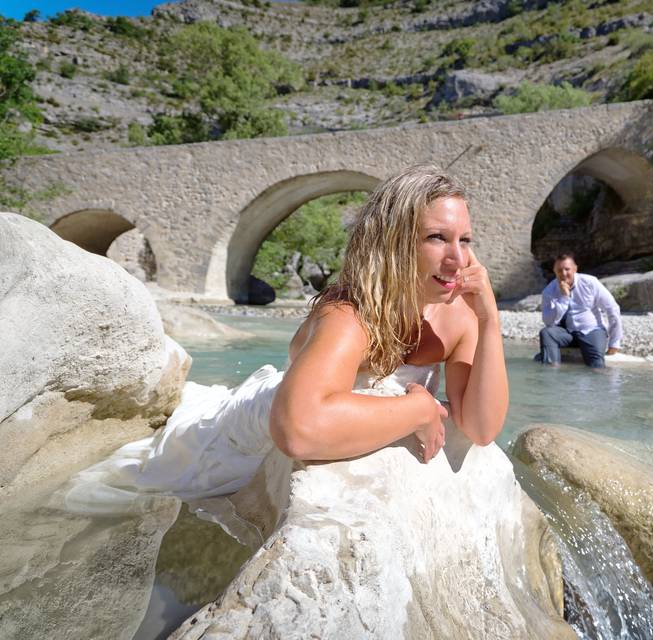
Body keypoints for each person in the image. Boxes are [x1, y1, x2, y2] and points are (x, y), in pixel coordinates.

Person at [58, 164, 509, 516]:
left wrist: (489, 320)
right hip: (243, 442)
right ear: (393, 242)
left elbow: (481, 428)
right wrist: (417, 408)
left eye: (465, 239)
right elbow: (299, 430)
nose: (458, 258)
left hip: (307, 416)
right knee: (123, 489)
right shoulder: (349, 312)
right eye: (437, 238)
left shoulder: (459, 317)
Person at [538, 253, 622, 368]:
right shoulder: (549, 291)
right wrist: (563, 298)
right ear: (554, 271)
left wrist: (614, 342)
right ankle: (552, 372)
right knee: (546, 333)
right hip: (568, 333)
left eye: (567, 269)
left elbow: (612, 309)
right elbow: (549, 322)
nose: (563, 274)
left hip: (592, 330)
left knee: (596, 365)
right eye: (559, 270)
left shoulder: (590, 282)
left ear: (575, 269)